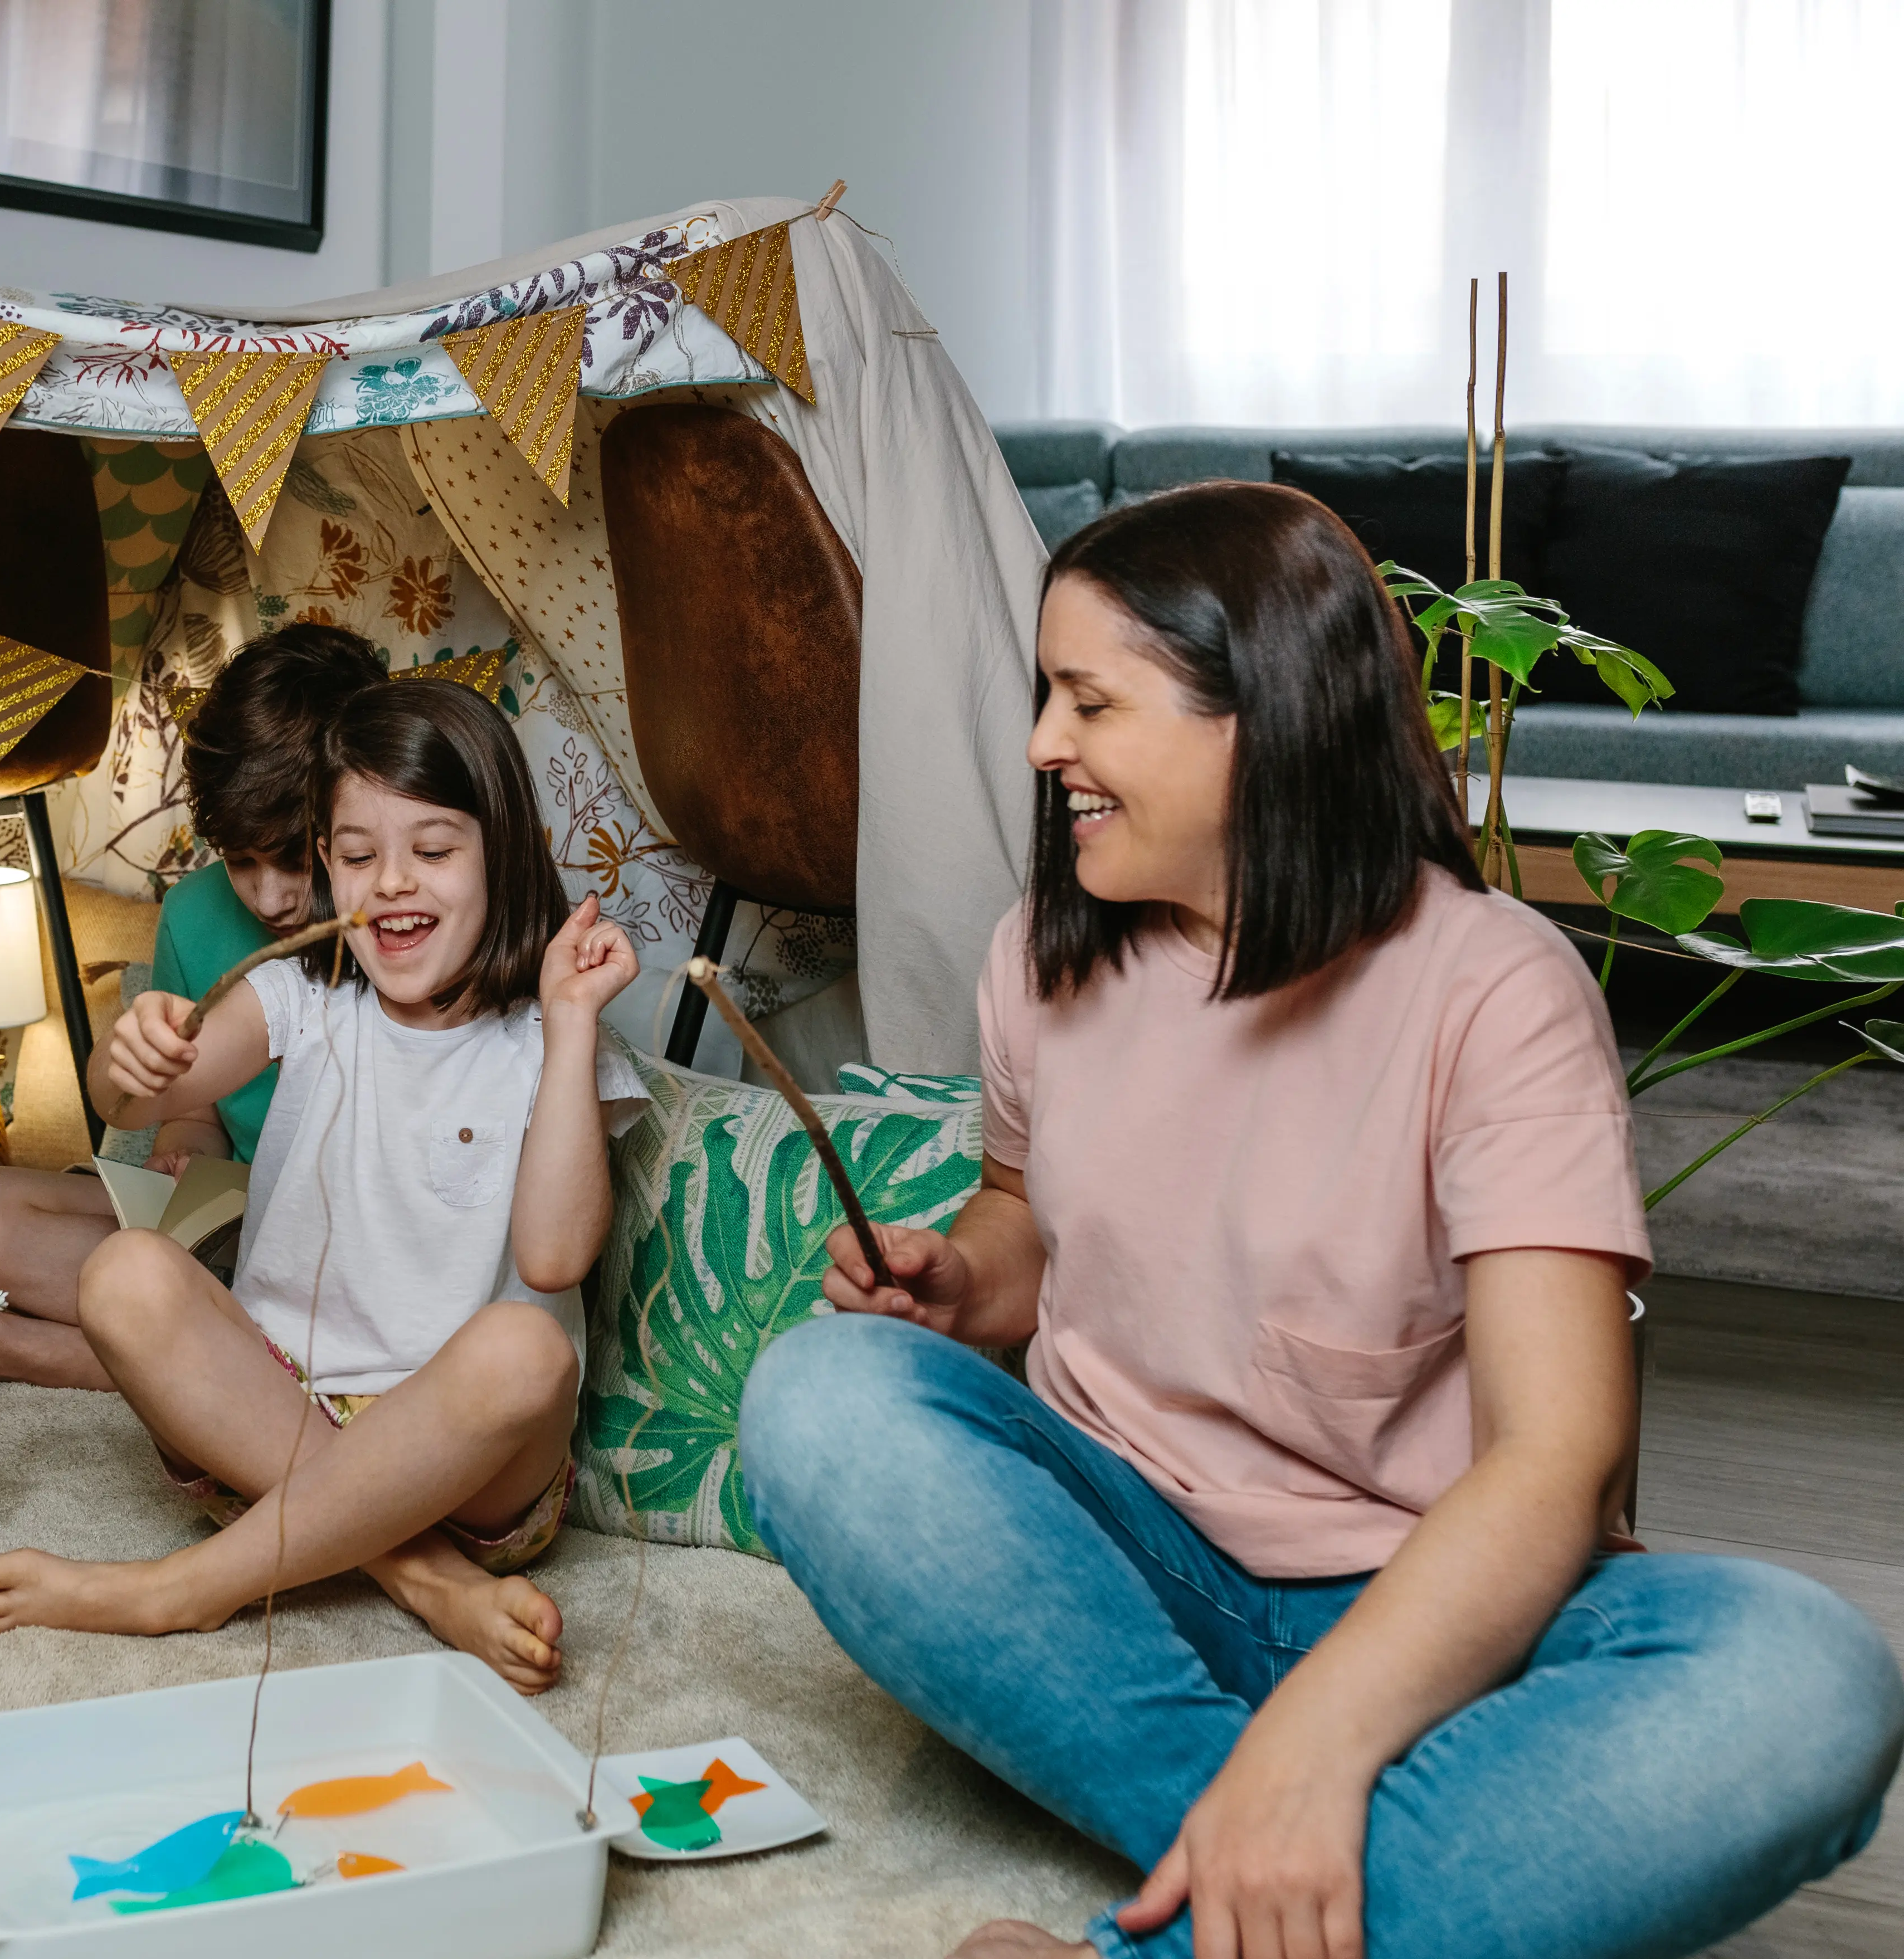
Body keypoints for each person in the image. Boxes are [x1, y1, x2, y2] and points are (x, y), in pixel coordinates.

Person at [739, 481, 1903, 1959]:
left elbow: (1554, 1458)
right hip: (1134, 1567)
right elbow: (1023, 1216)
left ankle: (1161, 1925)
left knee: (1799, 1676)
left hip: (1430, 1606)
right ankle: (1285, 1853)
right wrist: (962, 1277)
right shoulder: (1039, 949)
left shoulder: (1489, 986)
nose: (1042, 745)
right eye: (1047, 696)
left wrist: (1327, 1732)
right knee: (820, 1398)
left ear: (1262, 718)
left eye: (1088, 702)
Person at [0, 681, 644, 1690]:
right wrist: (125, 1059)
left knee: (526, 1349)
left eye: (434, 852)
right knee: (125, 1274)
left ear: (503, 849)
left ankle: (179, 1587)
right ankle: (424, 1581)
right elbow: (135, 1105)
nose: (393, 884)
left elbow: (553, 1256)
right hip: (268, 1429)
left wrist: (571, 1021)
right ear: (328, 866)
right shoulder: (298, 1000)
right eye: (359, 856)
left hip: (472, 1475)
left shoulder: (553, 1037)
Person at [0, 625, 386, 1390]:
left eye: (297, 858)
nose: (269, 898)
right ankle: (188, 1340)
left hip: (351, 1254)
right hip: (230, 1230)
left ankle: (95, 1355)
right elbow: (171, 1108)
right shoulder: (196, 915)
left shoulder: (401, 921)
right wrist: (188, 1151)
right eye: (241, 860)